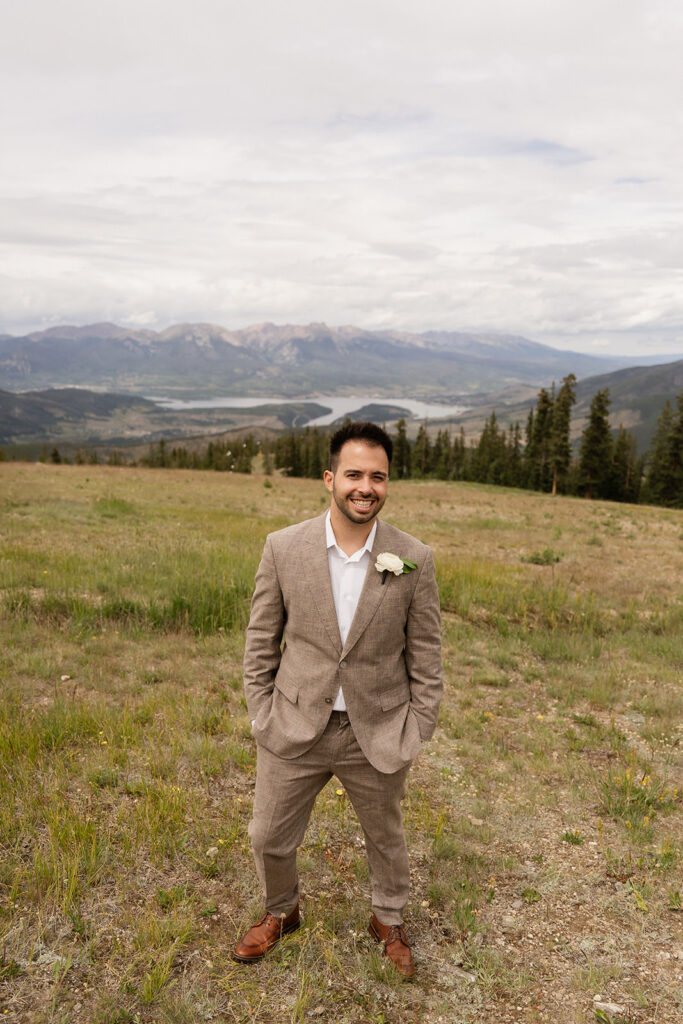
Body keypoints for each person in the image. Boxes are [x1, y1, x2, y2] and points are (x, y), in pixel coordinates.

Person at [233, 421, 443, 979]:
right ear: (330, 478)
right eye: (353, 474)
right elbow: (261, 641)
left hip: (377, 728)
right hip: (296, 722)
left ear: (388, 483)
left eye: (378, 476)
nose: (365, 486)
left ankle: (388, 919)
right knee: (268, 834)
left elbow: (427, 656)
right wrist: (261, 711)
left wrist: (417, 727)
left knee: (386, 837)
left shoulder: (413, 557)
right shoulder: (283, 547)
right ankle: (281, 911)